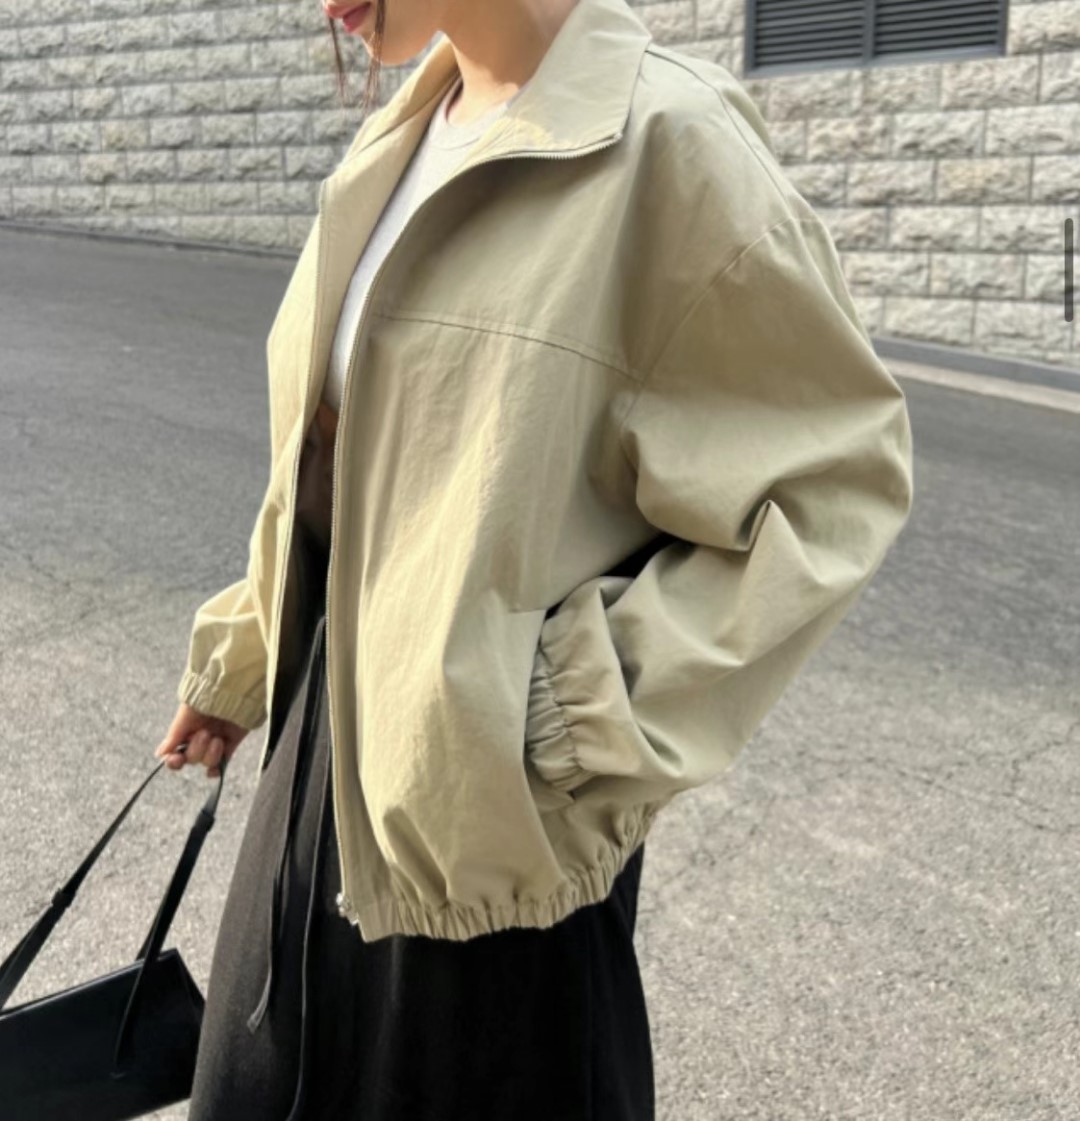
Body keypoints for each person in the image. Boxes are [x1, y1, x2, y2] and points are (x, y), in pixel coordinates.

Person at [154, 0, 915, 1117]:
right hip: (319, 778)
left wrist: (559, 715)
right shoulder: (400, 141)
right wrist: (246, 650)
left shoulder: (667, 145)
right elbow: (354, 466)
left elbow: (831, 484)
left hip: (495, 853)